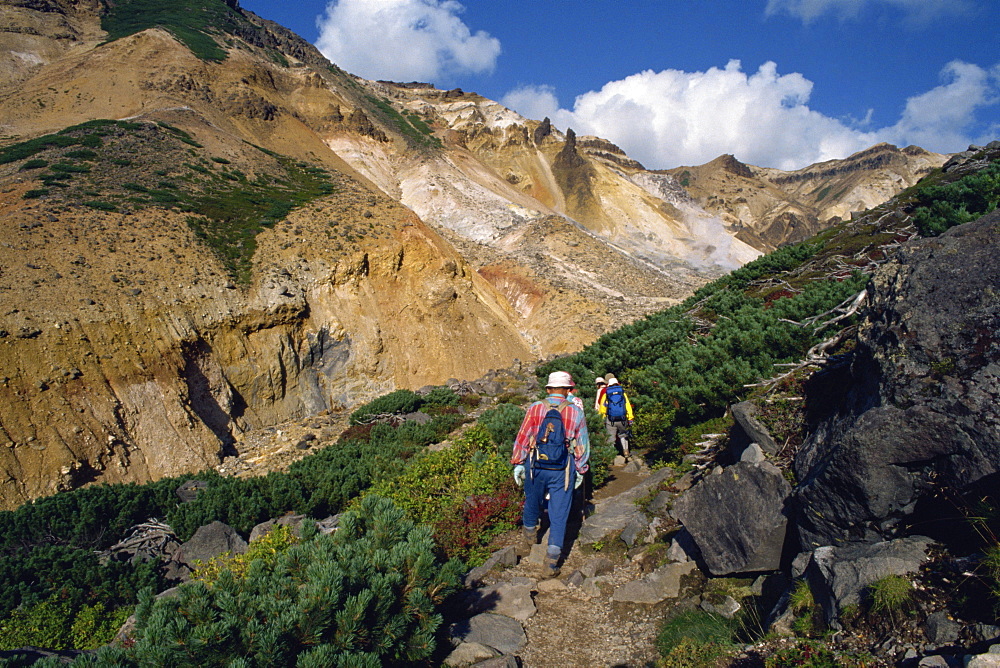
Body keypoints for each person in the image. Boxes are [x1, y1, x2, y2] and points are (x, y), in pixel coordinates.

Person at [511, 371, 590, 577]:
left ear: (548, 389)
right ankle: (551, 562)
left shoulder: (536, 407)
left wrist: (518, 462)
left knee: (532, 502)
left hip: (535, 466)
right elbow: (581, 444)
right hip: (562, 469)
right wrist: (580, 469)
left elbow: (523, 436)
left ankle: (528, 541)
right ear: (568, 391)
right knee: (559, 513)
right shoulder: (575, 411)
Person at [599, 375, 634, 460]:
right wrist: (630, 418)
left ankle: (610, 457)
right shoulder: (622, 392)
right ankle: (626, 452)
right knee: (623, 435)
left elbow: (603, 408)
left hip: (610, 419)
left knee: (610, 438)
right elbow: (627, 406)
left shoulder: (607, 393)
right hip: (622, 418)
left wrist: (601, 418)